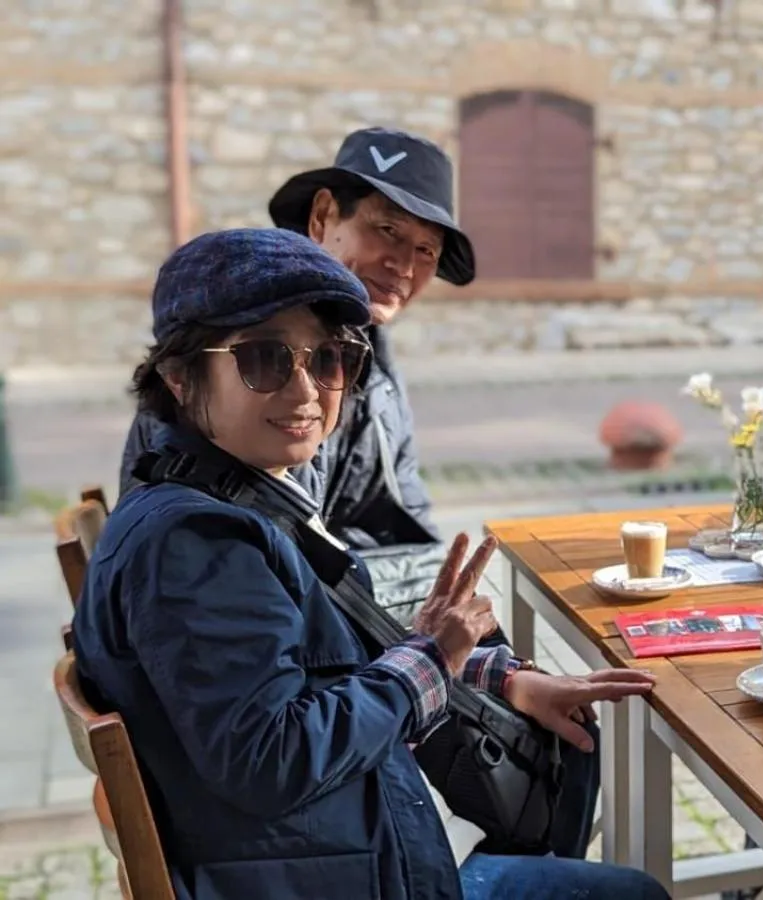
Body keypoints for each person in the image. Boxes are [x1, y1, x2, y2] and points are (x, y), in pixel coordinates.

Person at [73, 228, 668, 900]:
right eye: (264, 360)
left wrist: (475, 669)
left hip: (324, 853)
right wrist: (432, 661)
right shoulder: (197, 545)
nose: (305, 392)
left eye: (329, 360)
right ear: (180, 378)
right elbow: (273, 758)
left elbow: (288, 669)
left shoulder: (220, 495)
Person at [121, 126, 468, 624]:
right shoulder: (237, 328)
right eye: (387, 230)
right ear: (323, 216)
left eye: (427, 251)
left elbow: (405, 519)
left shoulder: (371, 352)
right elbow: (271, 555)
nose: (403, 266)